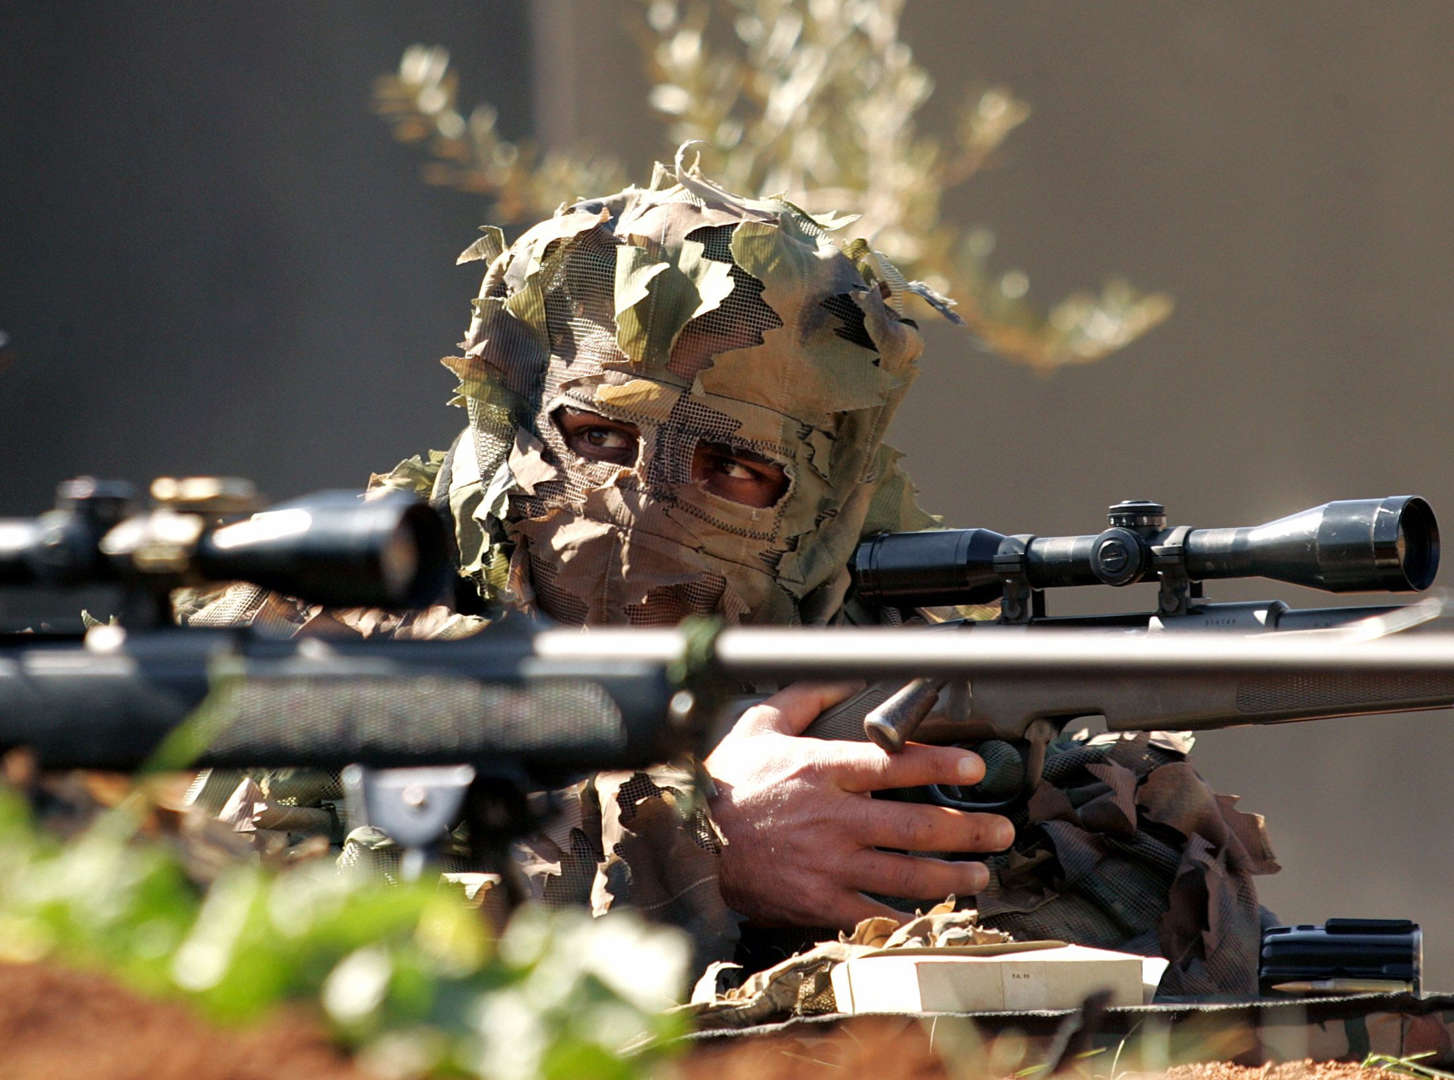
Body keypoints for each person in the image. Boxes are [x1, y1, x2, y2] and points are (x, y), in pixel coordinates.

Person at [184, 157, 1277, 996]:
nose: (646, 503)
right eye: (601, 437)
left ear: (811, 505)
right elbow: (204, 922)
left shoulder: (865, 650)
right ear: (517, 425)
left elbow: (1184, 934)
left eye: (733, 469)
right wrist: (703, 844)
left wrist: (997, 814)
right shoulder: (313, 621)